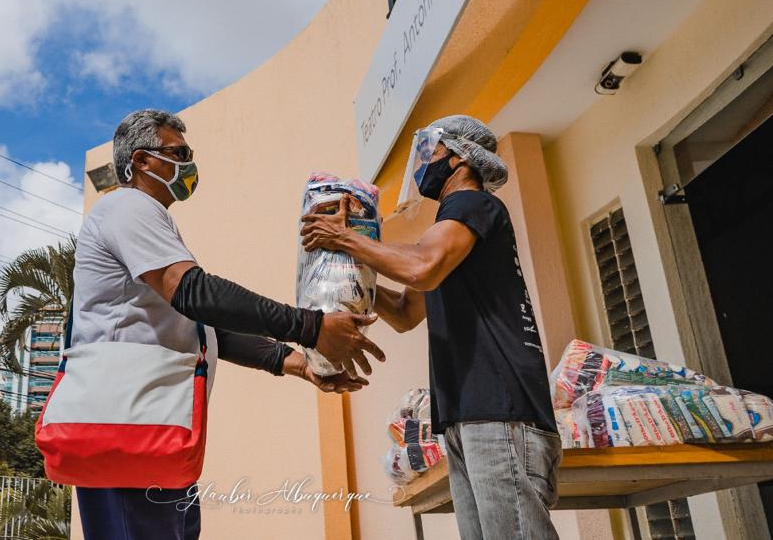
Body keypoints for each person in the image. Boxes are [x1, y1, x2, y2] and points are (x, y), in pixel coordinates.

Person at [72, 109, 385, 540]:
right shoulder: (128, 207)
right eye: (178, 152)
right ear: (142, 161)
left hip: (156, 430)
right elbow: (196, 294)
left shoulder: (151, 221)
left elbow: (202, 327)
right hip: (123, 430)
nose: (188, 163)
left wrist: (298, 364)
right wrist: (312, 327)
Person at [301, 115, 561, 540]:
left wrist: (347, 239)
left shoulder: (473, 205)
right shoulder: (448, 232)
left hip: (499, 408)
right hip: (466, 414)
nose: (423, 162)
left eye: (431, 150)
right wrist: (347, 269)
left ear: (459, 157)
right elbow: (405, 312)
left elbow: (420, 267)